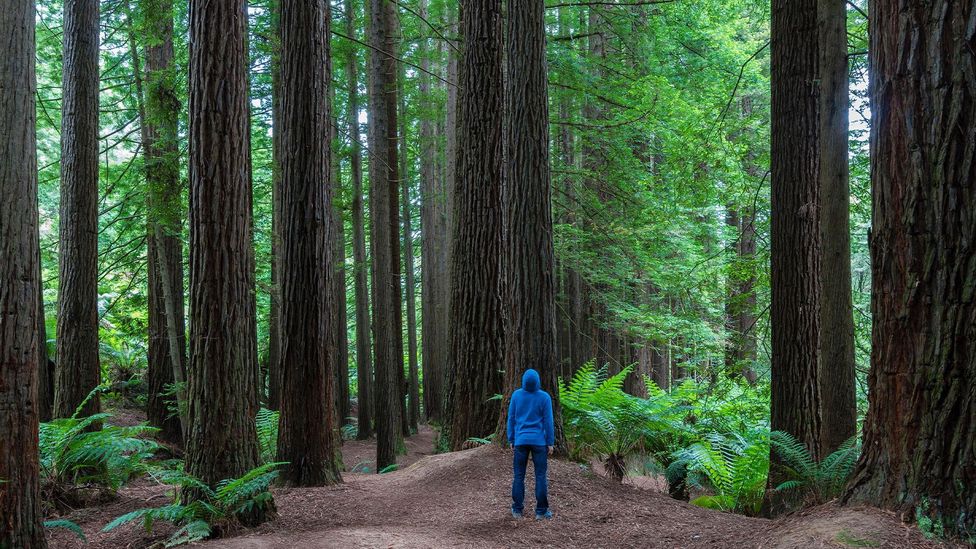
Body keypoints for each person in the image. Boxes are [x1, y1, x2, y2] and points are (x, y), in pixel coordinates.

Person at [507, 368, 555, 520]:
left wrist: (511, 439)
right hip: (539, 443)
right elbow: (549, 422)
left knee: (518, 476)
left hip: (520, 441)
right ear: (538, 382)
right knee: (540, 476)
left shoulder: (516, 395)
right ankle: (541, 512)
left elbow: (511, 418)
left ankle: (517, 510)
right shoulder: (544, 397)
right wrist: (550, 442)